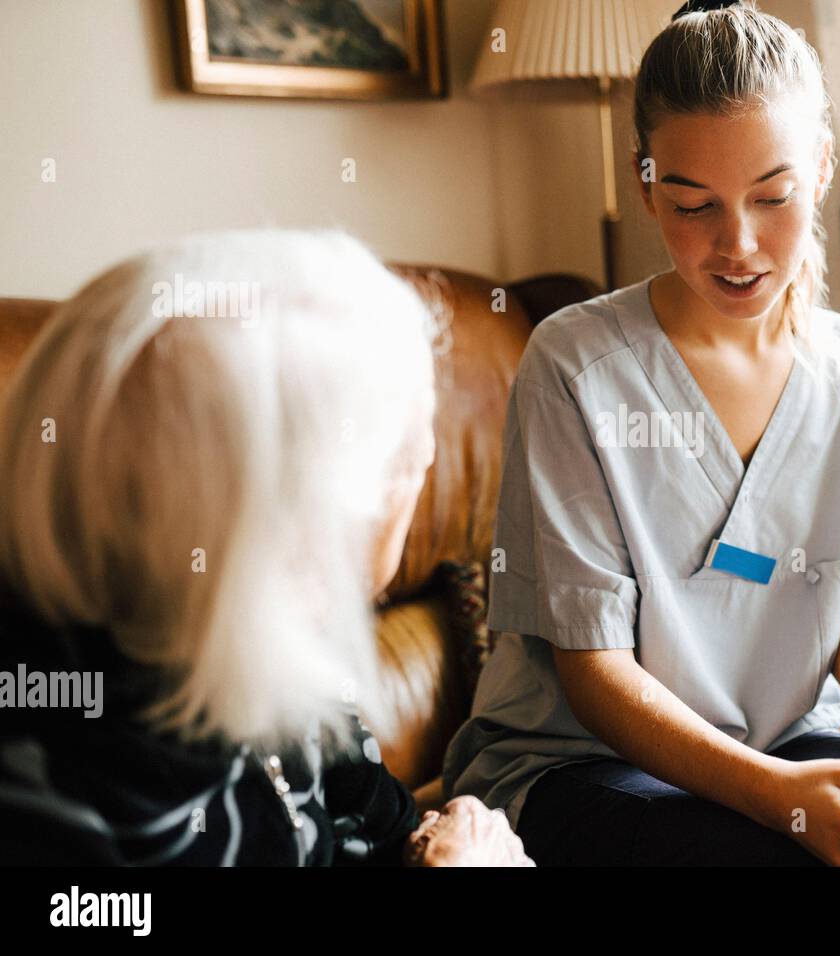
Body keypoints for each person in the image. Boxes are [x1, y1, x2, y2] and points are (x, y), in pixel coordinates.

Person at [441, 0, 840, 866]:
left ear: (820, 168)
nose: (737, 243)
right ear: (644, 183)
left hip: (782, 745)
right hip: (583, 766)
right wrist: (777, 797)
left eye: (772, 196)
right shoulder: (576, 365)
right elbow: (593, 676)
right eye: (692, 203)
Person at [0, 230, 531, 866]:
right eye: (411, 455)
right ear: (311, 530)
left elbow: (383, 836)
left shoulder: (289, 661)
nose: (423, 469)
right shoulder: (46, 788)